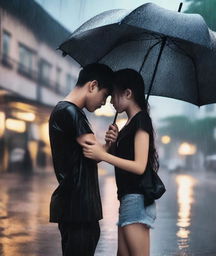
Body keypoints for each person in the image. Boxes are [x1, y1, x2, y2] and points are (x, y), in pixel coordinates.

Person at [83, 69, 159, 256]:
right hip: (127, 198)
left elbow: (139, 166)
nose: (110, 101)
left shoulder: (141, 120)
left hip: (136, 198)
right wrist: (112, 143)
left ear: (128, 93)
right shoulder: (130, 123)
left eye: (113, 95)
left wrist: (103, 155)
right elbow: (127, 158)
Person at [48, 63, 118, 256]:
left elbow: (92, 155)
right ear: (92, 85)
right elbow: (96, 151)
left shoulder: (67, 111)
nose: (104, 103)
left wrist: (107, 145)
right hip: (78, 207)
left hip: (77, 206)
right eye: (105, 95)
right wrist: (108, 148)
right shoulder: (70, 112)